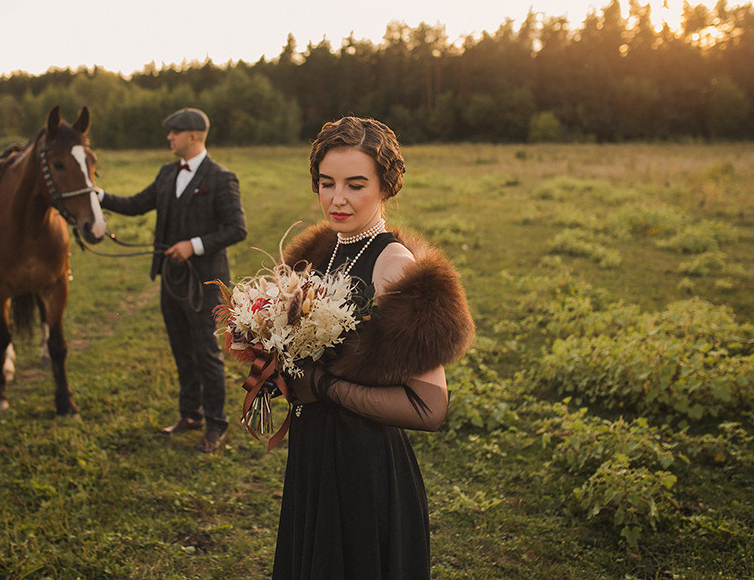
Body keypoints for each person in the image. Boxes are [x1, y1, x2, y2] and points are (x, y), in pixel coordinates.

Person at [272, 116, 475, 578]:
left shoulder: (393, 263)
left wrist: (322, 386)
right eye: (327, 183)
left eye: (355, 184)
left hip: (364, 468)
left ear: (386, 186)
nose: (337, 198)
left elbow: (429, 408)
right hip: (316, 456)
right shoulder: (324, 250)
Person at [98, 107, 247, 453]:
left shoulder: (221, 177)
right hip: (171, 281)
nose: (169, 138)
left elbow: (237, 229)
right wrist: (98, 196)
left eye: (174, 133)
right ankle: (189, 414)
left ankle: (216, 424)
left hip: (206, 283)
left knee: (206, 352)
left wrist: (193, 246)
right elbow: (136, 204)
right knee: (181, 350)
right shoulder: (167, 173)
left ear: (193, 136)